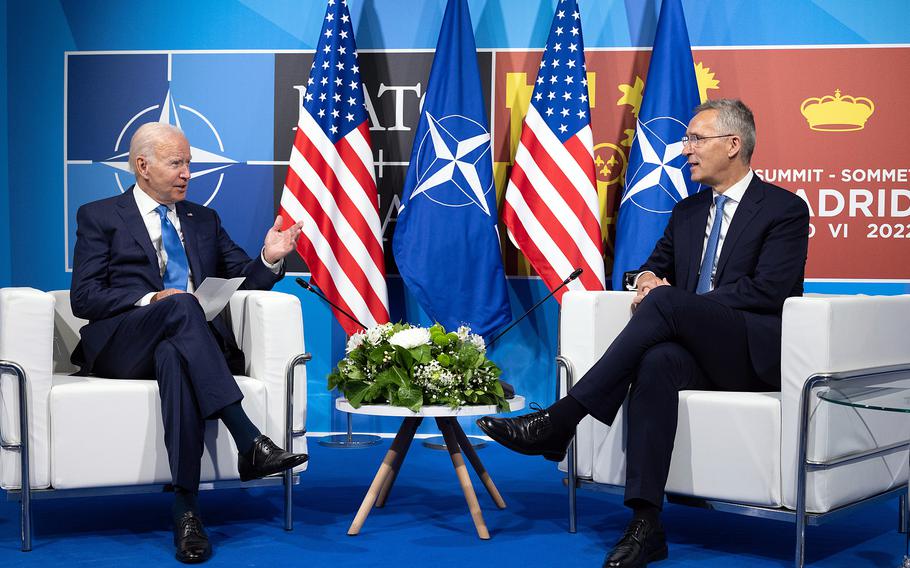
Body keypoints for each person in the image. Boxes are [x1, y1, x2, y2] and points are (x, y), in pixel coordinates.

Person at [478, 99, 809, 568]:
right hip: (694, 350)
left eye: (697, 138)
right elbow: (652, 268)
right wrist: (650, 281)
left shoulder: (784, 209)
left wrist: (677, 304)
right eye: (687, 139)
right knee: (657, 363)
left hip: (751, 354)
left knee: (668, 305)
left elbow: (767, 292)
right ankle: (645, 523)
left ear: (733, 145)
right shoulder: (689, 212)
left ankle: (562, 420)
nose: (686, 149)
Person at [70, 122, 309, 564]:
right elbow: (83, 297)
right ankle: (249, 440)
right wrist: (151, 298)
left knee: (175, 356)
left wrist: (270, 258)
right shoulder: (99, 215)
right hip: (123, 345)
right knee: (180, 307)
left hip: (183, 347)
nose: (186, 174)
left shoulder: (204, 219)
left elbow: (245, 283)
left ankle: (187, 512)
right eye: (176, 163)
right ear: (142, 166)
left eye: (189, 165)